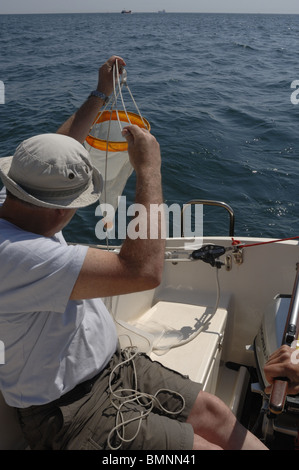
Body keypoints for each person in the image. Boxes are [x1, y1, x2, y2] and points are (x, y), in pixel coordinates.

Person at [0, 55, 267, 451]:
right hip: (71, 411)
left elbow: (54, 153)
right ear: (61, 211)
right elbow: (142, 270)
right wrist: (148, 169)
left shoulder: (17, 196)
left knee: (215, 413)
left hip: (114, 369)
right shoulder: (19, 256)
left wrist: (100, 93)